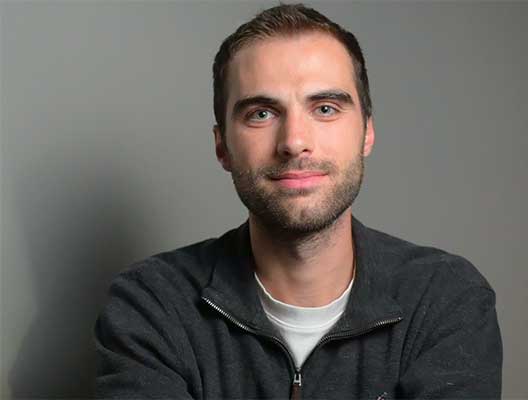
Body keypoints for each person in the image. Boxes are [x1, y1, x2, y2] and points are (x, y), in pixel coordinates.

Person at [94, 3, 502, 399]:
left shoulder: (444, 298)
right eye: (261, 114)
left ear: (367, 133)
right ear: (223, 147)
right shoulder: (153, 303)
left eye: (325, 108)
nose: (294, 141)